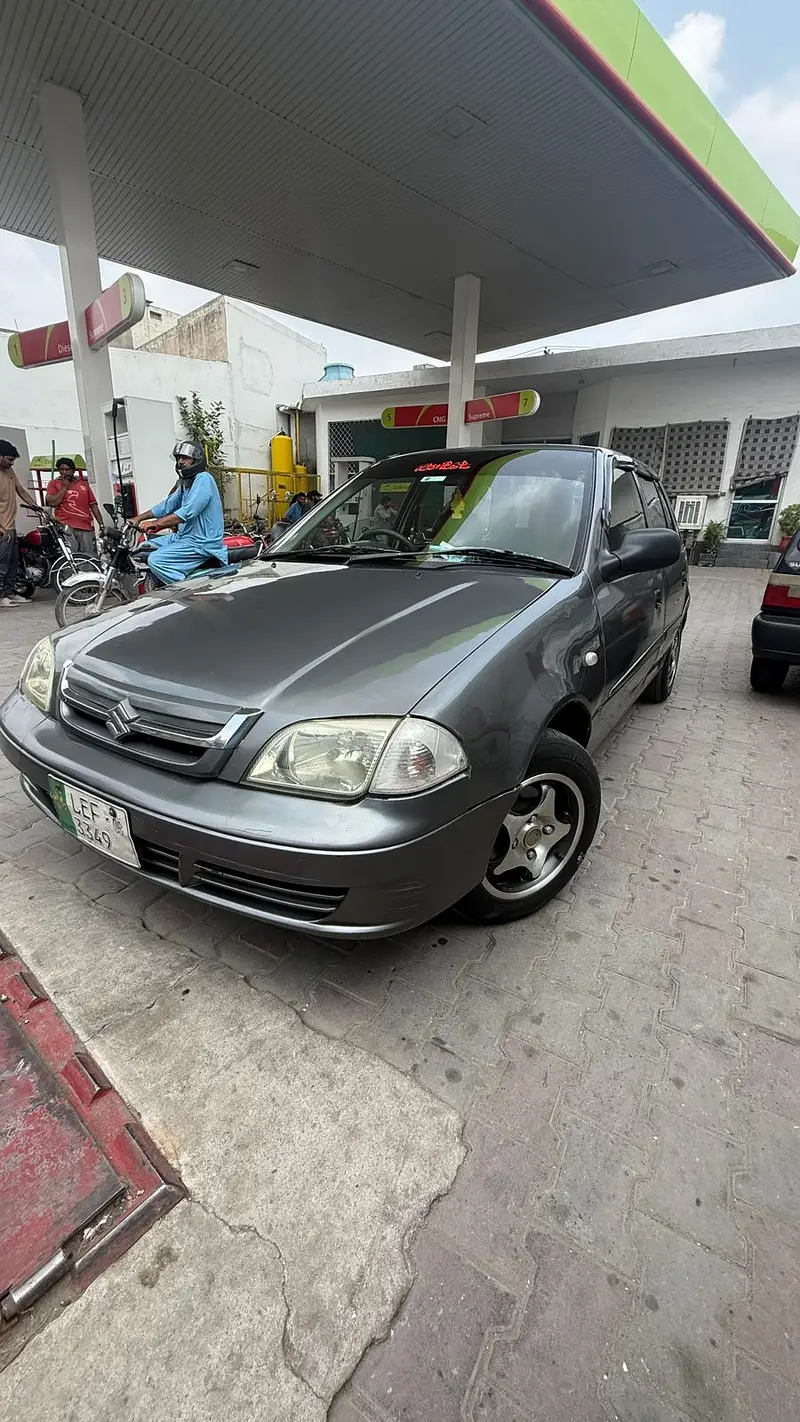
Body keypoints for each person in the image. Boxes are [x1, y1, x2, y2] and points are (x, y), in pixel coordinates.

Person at [132, 441, 227, 584]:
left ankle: (188, 591)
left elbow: (188, 511)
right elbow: (167, 505)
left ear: (197, 460)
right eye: (179, 458)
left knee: (156, 560)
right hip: (183, 537)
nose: (180, 462)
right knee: (144, 547)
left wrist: (156, 524)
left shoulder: (204, 479)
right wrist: (138, 518)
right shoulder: (185, 484)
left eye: (185, 458)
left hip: (201, 542)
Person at [0, 439, 40, 607]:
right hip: (2, 529)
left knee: (13, 563)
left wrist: (36, 506)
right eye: (9, 459)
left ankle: (10, 593)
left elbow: (21, 490)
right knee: (1, 564)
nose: (12, 462)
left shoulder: (9, 472)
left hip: (11, 527)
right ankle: (1, 597)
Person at [45, 457, 104, 557]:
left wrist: (101, 525)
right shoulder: (54, 484)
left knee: (87, 556)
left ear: (73, 471)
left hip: (84, 526)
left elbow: (93, 505)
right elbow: (52, 502)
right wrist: (64, 487)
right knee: (71, 555)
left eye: (67, 470)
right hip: (65, 526)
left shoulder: (83, 485)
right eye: (61, 469)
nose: (64, 472)